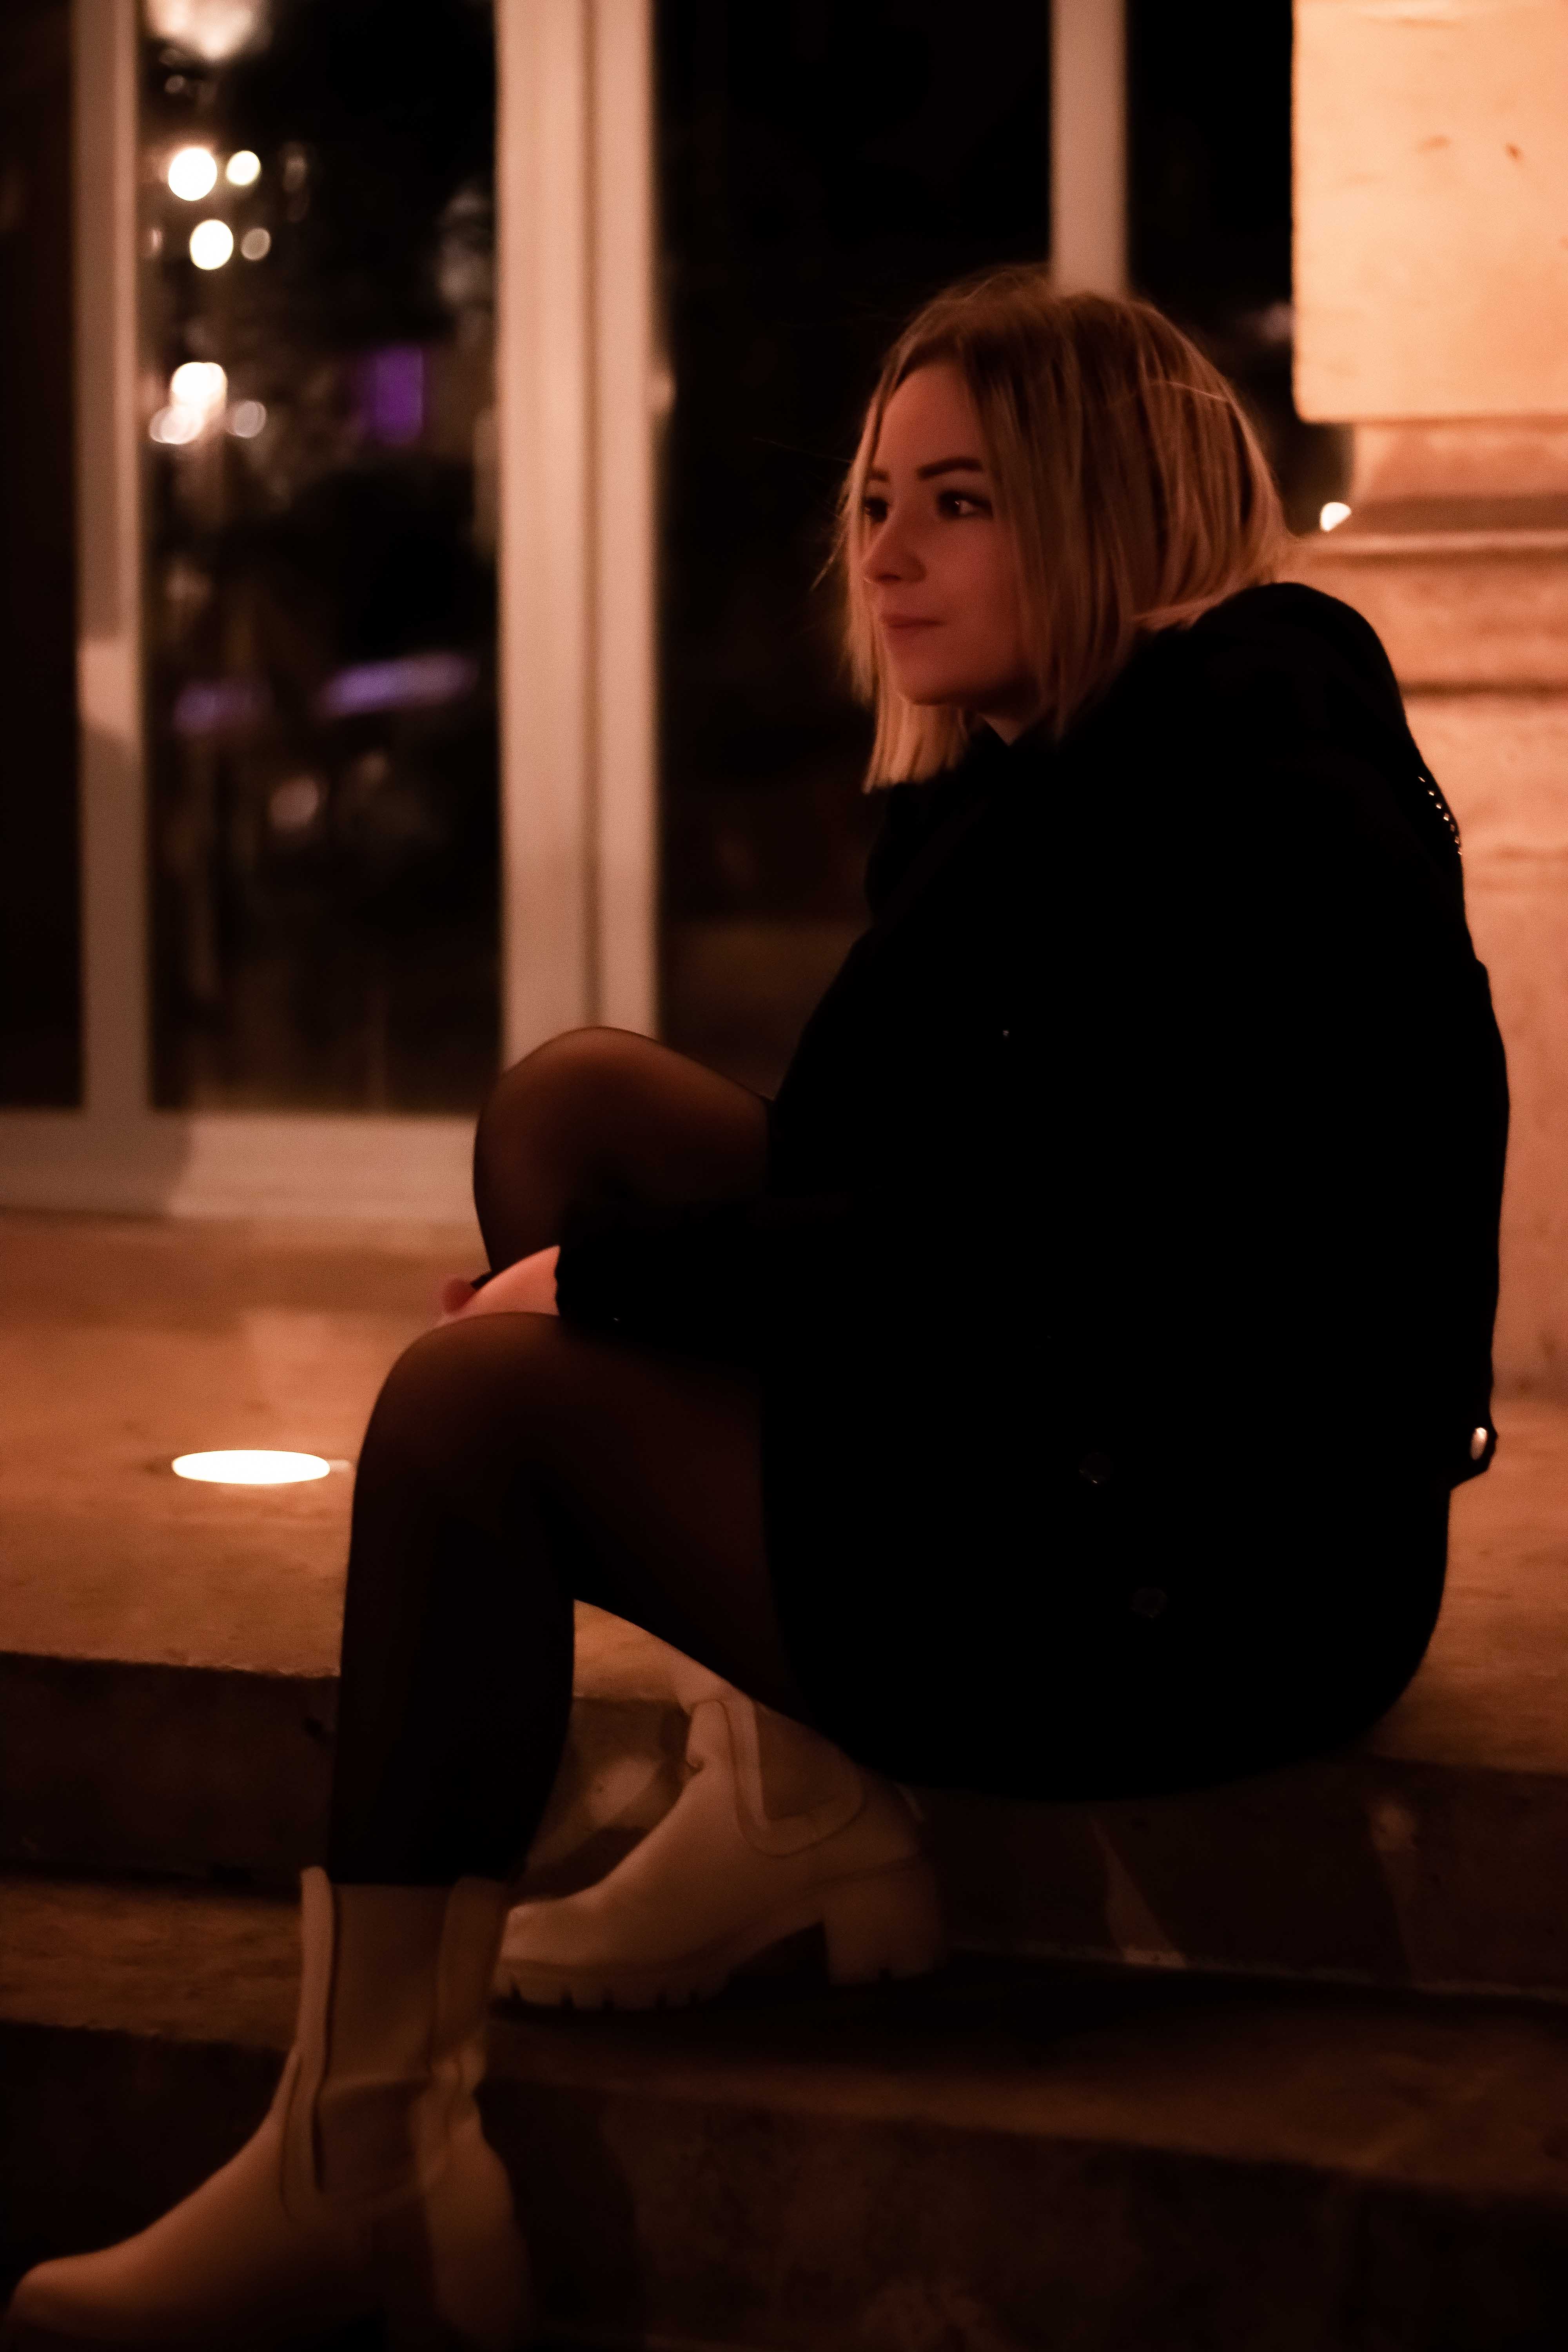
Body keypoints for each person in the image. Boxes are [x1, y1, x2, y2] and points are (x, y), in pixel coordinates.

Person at [3, 265, 1508, 2350]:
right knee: (584, 1113)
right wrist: (621, 1247)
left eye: (957, 499)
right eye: (877, 498)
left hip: (1200, 1575)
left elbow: (1015, 1248)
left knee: (471, 1413)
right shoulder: (1068, 769)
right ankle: (804, 1812)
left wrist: (603, 1297)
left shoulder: (1232, 809)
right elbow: (913, 1189)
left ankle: (369, 2165)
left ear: (1104, 502)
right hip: (1096, 1448)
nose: (881, 550)